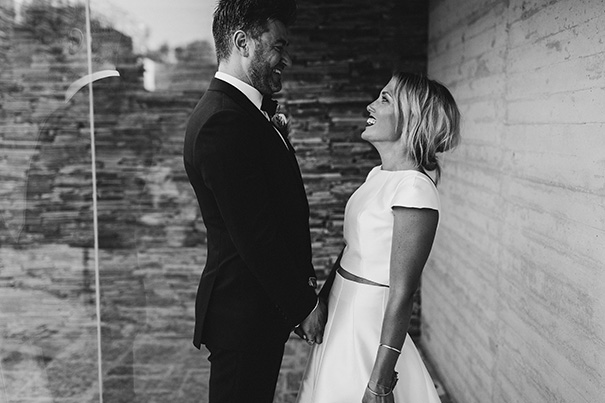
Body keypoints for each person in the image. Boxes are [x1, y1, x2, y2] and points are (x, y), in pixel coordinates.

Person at [182, 0, 326, 402]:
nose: (286, 59)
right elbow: (256, 235)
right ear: (242, 42)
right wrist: (303, 306)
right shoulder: (223, 121)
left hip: (255, 310)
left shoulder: (241, 113)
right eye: (278, 46)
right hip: (242, 315)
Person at [296, 72, 461, 403]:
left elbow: (403, 292)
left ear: (412, 117)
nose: (370, 106)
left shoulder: (414, 189)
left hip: (367, 324)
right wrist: (320, 303)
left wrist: (380, 383)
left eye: (384, 99)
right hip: (340, 312)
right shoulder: (377, 175)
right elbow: (351, 251)